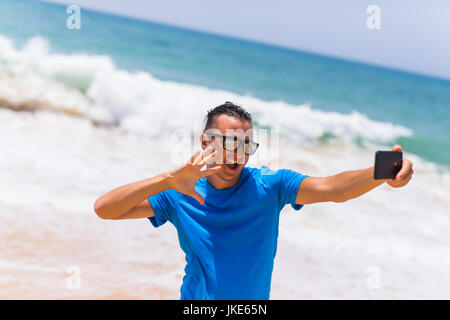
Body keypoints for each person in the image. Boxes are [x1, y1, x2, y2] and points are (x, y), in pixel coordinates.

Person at [94, 101, 414, 299]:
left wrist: (379, 174)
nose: (240, 154)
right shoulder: (180, 193)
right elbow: (105, 209)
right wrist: (167, 179)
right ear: (206, 141)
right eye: (231, 143)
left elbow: (332, 188)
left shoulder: (269, 186)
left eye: (247, 145)